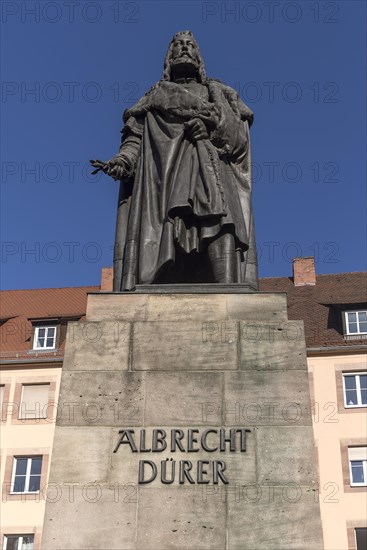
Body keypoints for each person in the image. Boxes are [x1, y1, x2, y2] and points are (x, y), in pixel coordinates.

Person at [91, 31, 258, 291]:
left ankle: (230, 295)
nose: (184, 49)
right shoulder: (154, 97)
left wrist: (210, 130)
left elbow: (239, 139)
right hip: (165, 185)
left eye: (190, 45)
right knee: (167, 230)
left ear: (199, 57)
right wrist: (123, 161)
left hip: (213, 174)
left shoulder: (220, 94)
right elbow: (135, 139)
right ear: (168, 58)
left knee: (221, 223)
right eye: (177, 45)